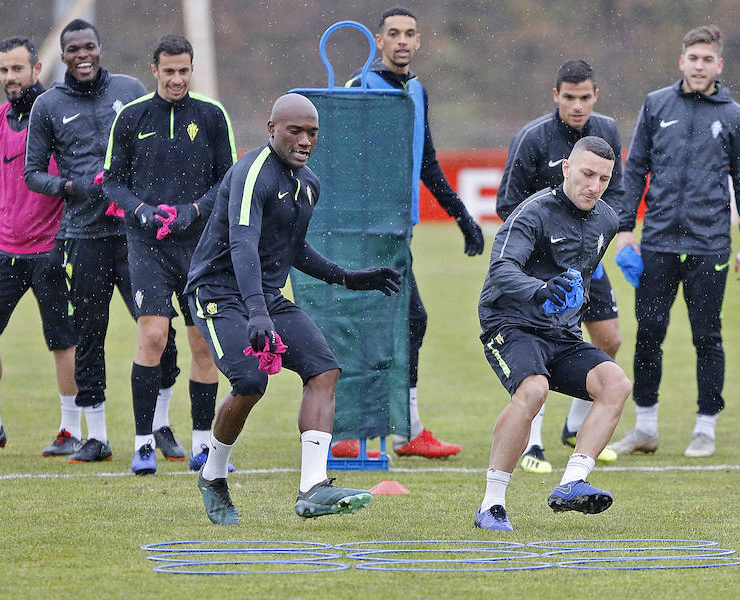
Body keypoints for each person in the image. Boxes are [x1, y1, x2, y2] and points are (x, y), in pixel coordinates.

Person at [185, 93, 402, 524]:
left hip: (263, 296)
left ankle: (312, 488)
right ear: (271, 130)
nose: (305, 140)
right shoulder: (252, 173)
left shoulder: (309, 184)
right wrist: (257, 311)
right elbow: (242, 243)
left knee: (324, 369)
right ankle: (212, 474)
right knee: (249, 382)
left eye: (312, 133)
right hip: (217, 293)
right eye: (295, 131)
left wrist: (346, 276)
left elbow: (293, 248)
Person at [25, 19, 180, 463]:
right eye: (72, 49)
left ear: (100, 48)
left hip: (137, 235)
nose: (82, 55)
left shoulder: (130, 90)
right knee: (89, 335)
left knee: (159, 331)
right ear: (65, 53)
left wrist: (139, 193)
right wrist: (71, 187)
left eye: (89, 46)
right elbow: (33, 173)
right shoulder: (48, 105)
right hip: (84, 236)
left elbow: (157, 148)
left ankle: (161, 426)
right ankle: (96, 436)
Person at [333, 6, 484, 459]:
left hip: (399, 232)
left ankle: (401, 429)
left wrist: (462, 216)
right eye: (394, 33)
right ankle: (354, 430)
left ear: (418, 42)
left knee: (402, 322)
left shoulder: (417, 90)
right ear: (379, 42)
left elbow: (427, 162)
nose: (402, 40)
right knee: (375, 324)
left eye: (410, 33)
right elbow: (342, 162)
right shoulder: (359, 89)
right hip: (363, 230)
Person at [608, 25, 740, 459]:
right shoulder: (657, 105)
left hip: (710, 245)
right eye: (692, 58)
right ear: (682, 62)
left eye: (707, 59)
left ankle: (705, 428)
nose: (699, 66)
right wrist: (624, 230)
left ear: (719, 65)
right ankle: (646, 428)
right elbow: (634, 169)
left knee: (707, 337)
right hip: (656, 243)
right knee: (649, 335)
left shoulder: (735, 116)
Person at [475, 136, 630, 531]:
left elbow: (582, 276)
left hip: (559, 331)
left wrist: (568, 308)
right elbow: (502, 270)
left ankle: (571, 483)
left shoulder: (607, 220)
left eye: (604, 178)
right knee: (534, 390)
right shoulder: (532, 213)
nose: (594, 186)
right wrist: (540, 290)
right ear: (566, 169)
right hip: (510, 322)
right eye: (587, 174)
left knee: (615, 383)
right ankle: (491, 505)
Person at [103, 34, 236, 475]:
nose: (177, 78)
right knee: (154, 336)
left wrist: (194, 210)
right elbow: (111, 181)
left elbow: (228, 181)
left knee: (203, 344)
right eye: (169, 71)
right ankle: (143, 444)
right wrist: (140, 210)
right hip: (148, 246)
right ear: (154, 69)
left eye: (184, 70)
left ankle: (204, 447)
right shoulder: (131, 116)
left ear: (191, 69)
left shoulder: (213, 116)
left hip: (201, 246)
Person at [496, 59, 623, 473]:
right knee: (540, 346)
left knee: (608, 339)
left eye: (585, 97)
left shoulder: (607, 132)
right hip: (539, 263)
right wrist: (547, 237)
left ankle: (575, 427)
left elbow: (618, 196)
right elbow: (507, 205)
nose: (577, 105)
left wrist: (602, 236)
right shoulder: (533, 138)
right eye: (569, 97)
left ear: (595, 96)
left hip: (587, 257)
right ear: (556, 96)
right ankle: (532, 444)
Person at [0, 37, 78, 454]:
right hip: (3, 250)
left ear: (37, 69)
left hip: (50, 250)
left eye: (18, 69)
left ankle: (71, 428)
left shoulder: (56, 116)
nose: (11, 77)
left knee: (63, 341)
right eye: (4, 70)